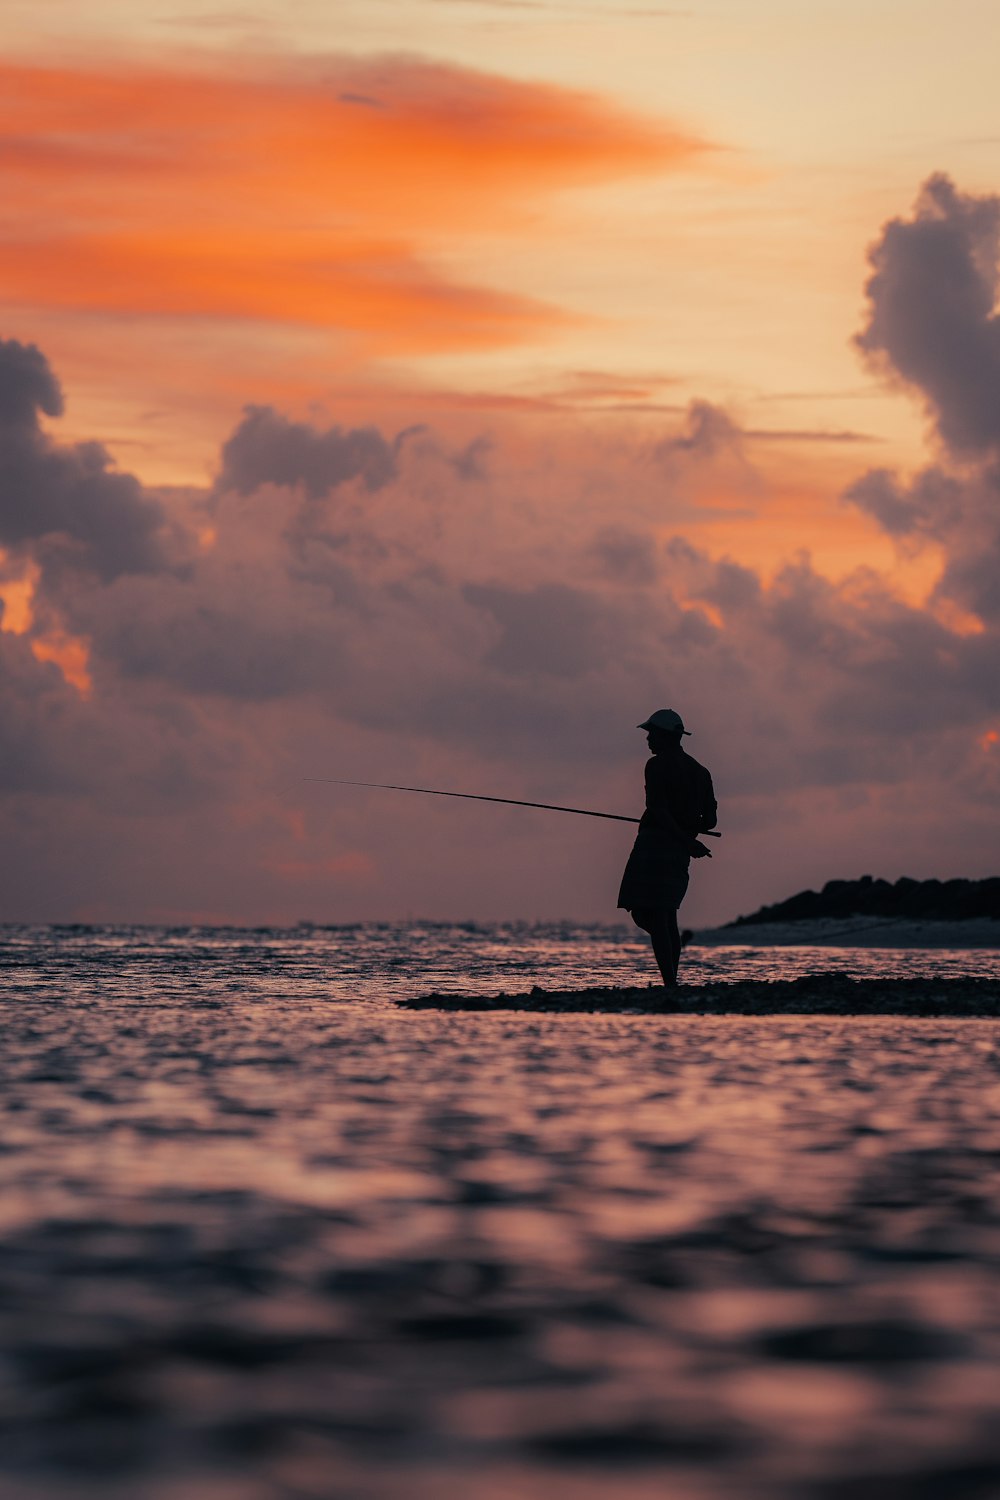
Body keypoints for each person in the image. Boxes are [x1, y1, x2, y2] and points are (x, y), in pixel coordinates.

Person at [618, 708, 717, 991]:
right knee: (665, 914)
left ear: (665, 736)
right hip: (679, 850)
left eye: (652, 733)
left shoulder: (656, 765)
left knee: (650, 914)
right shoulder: (701, 772)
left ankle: (670, 982)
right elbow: (710, 820)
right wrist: (689, 837)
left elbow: (658, 810)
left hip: (654, 846)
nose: (648, 739)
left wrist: (685, 838)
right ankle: (672, 969)